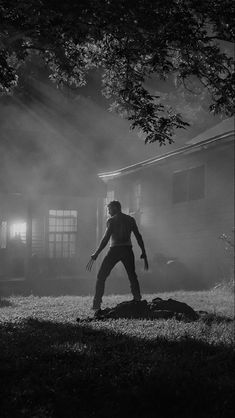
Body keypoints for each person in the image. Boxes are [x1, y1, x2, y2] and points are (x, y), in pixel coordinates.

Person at [86, 200, 148, 312]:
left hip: (115, 250)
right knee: (132, 276)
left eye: (109, 209)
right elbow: (139, 236)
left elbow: (105, 239)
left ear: (114, 208)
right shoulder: (130, 219)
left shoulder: (111, 220)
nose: (108, 212)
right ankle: (138, 299)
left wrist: (96, 253)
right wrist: (143, 252)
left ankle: (96, 304)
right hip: (127, 250)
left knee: (101, 276)